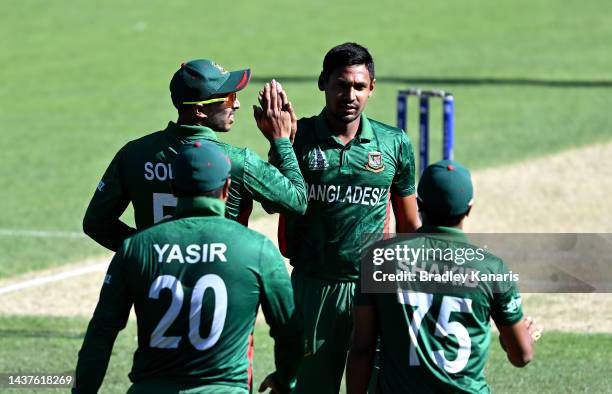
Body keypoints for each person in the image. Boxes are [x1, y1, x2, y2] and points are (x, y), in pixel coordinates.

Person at [73, 140, 301, 394]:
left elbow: (101, 333)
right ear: (226, 188)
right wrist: (285, 379)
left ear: (173, 187)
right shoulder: (257, 249)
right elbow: (290, 332)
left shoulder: (137, 248)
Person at [272, 42, 421, 394]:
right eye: (341, 84)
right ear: (323, 82)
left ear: (371, 89)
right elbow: (273, 203)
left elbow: (410, 225)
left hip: (374, 289)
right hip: (314, 287)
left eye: (358, 86)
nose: (349, 94)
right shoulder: (297, 138)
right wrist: (280, 143)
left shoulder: (394, 143)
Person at [346, 160, 541, 393]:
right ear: (469, 209)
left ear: (419, 205)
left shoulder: (379, 259)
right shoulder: (491, 268)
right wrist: (519, 338)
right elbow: (521, 356)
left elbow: (362, 348)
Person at [83, 59, 306, 251]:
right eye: (228, 98)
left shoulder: (133, 154)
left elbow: (96, 223)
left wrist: (146, 251)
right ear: (199, 110)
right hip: (220, 289)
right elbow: (296, 202)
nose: (236, 104)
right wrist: (282, 142)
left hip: (156, 290)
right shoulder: (237, 162)